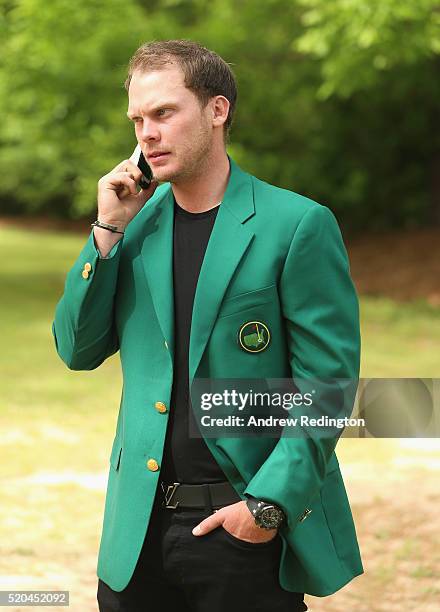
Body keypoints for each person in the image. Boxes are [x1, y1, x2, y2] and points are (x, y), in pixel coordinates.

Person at [52, 39, 363, 612]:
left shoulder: (296, 225)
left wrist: (266, 507)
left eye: (164, 113)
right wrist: (105, 233)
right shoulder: (133, 227)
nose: (147, 133)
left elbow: (329, 385)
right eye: (138, 119)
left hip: (241, 530)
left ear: (217, 111)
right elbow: (77, 348)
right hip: (135, 535)